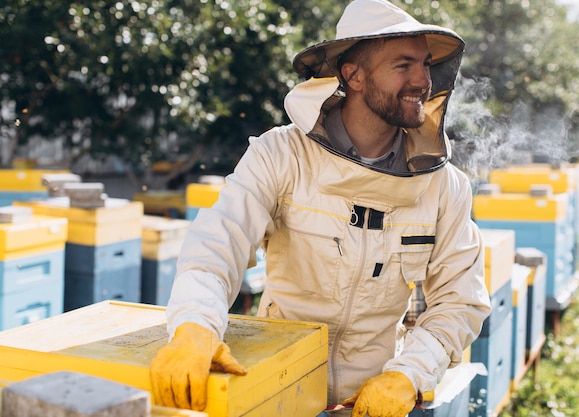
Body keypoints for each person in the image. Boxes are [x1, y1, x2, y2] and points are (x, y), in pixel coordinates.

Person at [150, 0, 491, 416]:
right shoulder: (281, 154)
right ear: (354, 75)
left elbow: (460, 301)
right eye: (403, 65)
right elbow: (217, 244)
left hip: (372, 398)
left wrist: (408, 374)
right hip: (276, 388)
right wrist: (193, 326)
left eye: (425, 64)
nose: (423, 79)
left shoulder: (444, 186)